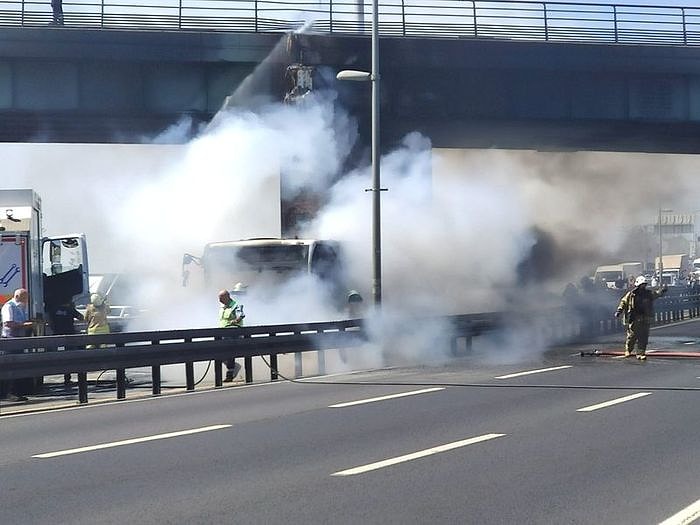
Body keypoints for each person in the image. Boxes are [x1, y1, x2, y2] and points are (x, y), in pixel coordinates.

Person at [615, 276, 667, 360]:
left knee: (643, 336)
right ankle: (628, 350)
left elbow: (656, 294)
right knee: (632, 335)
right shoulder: (631, 294)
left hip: (645, 317)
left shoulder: (648, 294)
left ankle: (640, 353)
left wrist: (663, 290)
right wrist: (619, 310)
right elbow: (624, 301)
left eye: (644, 285)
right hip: (635, 317)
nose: (643, 287)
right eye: (642, 285)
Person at [1, 288, 34, 402]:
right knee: (11, 367)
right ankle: (8, 393)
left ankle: (16, 392)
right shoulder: (9, 306)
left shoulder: (20, 307)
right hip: (10, 340)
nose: (26, 300)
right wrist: (25, 325)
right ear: (18, 296)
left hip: (19, 340)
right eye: (25, 297)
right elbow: (8, 323)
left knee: (18, 367)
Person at [47, 300, 84, 383]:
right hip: (69, 336)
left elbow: (49, 321)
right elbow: (81, 317)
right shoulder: (70, 309)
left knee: (55, 356)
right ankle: (67, 377)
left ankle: (52, 371)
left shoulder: (53, 309)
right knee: (69, 357)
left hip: (57, 334)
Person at [218, 286, 245, 382]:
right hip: (222, 334)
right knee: (217, 353)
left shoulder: (235, 305)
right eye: (219, 298)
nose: (219, 300)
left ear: (227, 297)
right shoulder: (223, 307)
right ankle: (233, 368)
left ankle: (230, 373)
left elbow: (240, 315)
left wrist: (236, 320)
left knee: (229, 353)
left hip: (233, 334)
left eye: (221, 298)